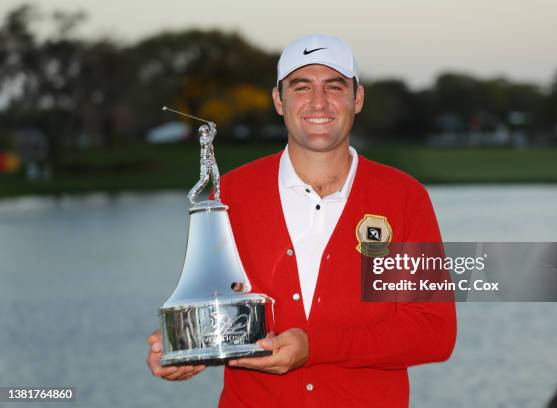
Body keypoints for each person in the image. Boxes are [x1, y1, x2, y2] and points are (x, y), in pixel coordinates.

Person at [147, 34, 456, 407]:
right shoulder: (230, 194)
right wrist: (186, 347)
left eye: (334, 86)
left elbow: (434, 331)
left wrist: (315, 347)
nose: (319, 102)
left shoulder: (404, 196)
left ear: (357, 98)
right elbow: (216, 305)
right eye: (301, 86)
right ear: (279, 100)